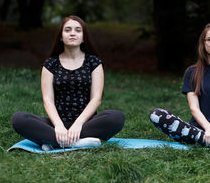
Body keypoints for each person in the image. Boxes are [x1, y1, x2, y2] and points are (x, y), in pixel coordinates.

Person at [11, 15, 125, 150]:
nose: (72, 33)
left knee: (116, 117)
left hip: (86, 123)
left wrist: (78, 124)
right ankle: (74, 142)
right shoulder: (50, 64)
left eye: (78, 30)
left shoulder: (94, 62)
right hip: (55, 123)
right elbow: (48, 100)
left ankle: (54, 141)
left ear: (83, 37)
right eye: (67, 30)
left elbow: (96, 99)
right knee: (19, 119)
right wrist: (58, 125)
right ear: (60, 36)